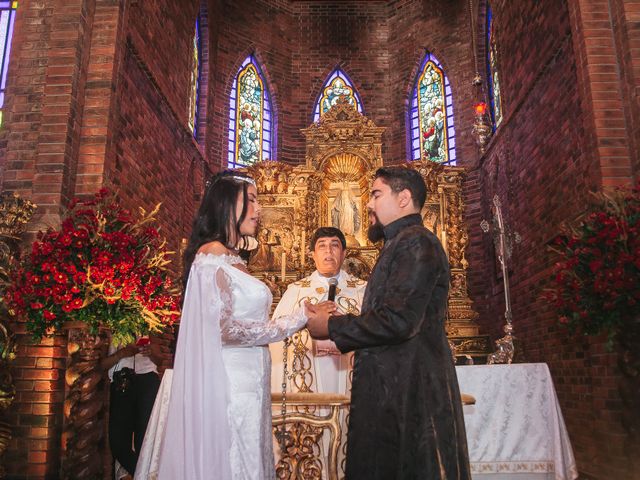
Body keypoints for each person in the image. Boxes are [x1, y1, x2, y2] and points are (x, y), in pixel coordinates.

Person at [134, 171, 308, 480]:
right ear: (228, 204)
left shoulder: (235, 258)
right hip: (230, 383)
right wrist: (296, 320)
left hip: (252, 380)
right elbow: (225, 329)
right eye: (251, 200)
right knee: (235, 459)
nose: (259, 210)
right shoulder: (211, 255)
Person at [306, 167, 471, 480]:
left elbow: (398, 321)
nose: (368, 205)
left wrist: (332, 327)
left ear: (404, 198)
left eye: (377, 195)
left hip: (411, 393)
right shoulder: (400, 243)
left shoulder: (416, 244)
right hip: (395, 389)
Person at [270, 226, 366, 477]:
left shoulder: (362, 290)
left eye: (335, 245)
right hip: (310, 377)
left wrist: (344, 334)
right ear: (312, 254)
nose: (328, 251)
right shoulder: (296, 291)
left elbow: (375, 331)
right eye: (322, 246)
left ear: (344, 253)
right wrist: (314, 337)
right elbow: (277, 338)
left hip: (347, 375)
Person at [102, 338, 162, 480]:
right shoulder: (109, 328)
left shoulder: (150, 321)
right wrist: (121, 354)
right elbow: (101, 365)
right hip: (121, 381)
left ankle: (145, 475)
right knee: (117, 442)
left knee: (145, 439)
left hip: (147, 381)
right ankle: (145, 476)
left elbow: (160, 360)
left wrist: (151, 353)